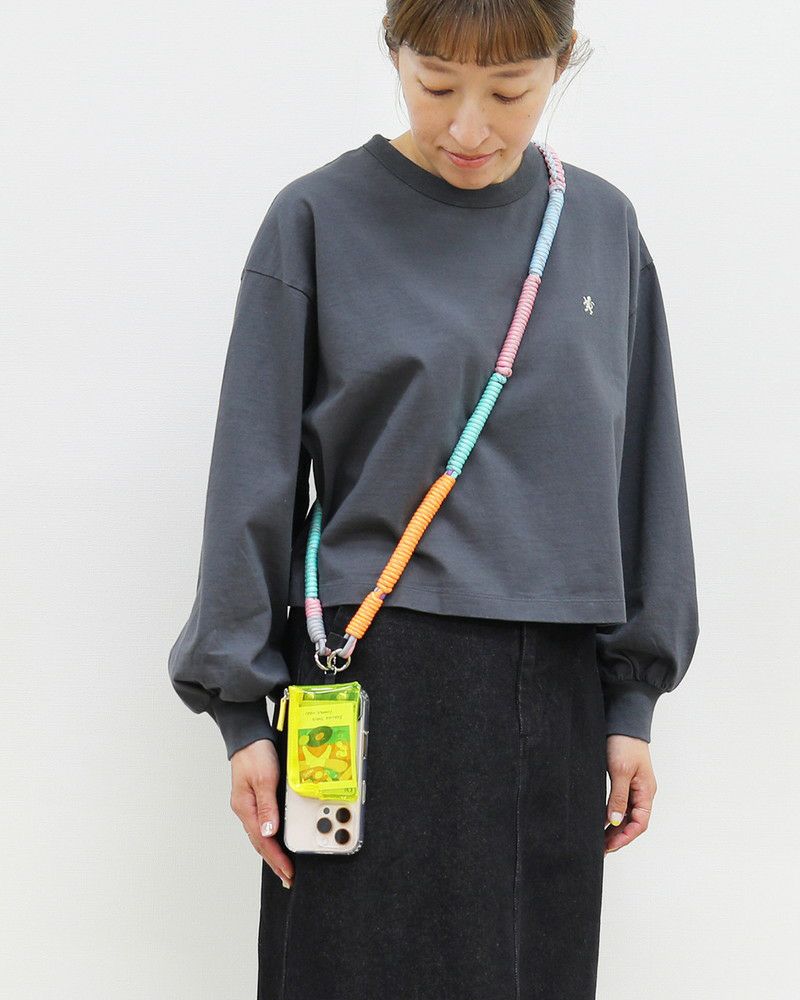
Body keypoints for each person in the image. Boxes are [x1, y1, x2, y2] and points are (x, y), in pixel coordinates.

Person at [168, 2, 700, 997]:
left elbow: (643, 472)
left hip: (555, 689)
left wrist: (630, 702)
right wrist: (242, 713)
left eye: (509, 91)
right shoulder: (316, 218)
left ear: (561, 63)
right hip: (376, 676)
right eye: (435, 84)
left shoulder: (600, 227)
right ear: (393, 56)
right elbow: (252, 472)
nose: (468, 126)